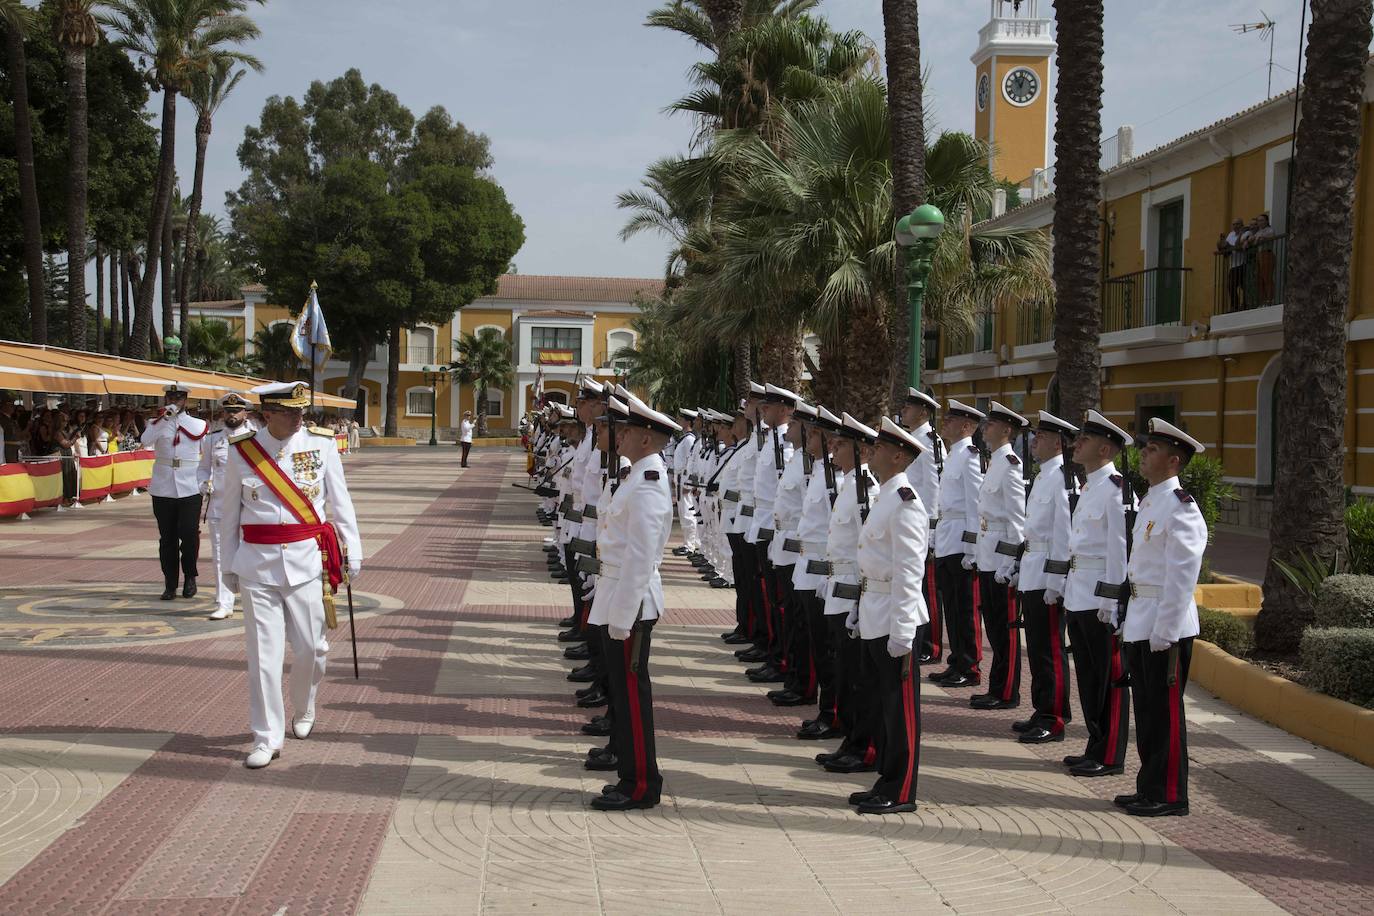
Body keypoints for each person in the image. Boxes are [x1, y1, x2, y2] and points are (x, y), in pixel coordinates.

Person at [218, 382, 362, 770]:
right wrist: (228, 567)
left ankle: (305, 704)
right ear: (267, 414)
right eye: (290, 412)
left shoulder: (321, 444)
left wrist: (352, 549)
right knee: (263, 656)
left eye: (301, 411)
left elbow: (340, 501)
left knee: (312, 649)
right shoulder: (242, 450)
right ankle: (266, 737)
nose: (300, 417)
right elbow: (228, 514)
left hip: (306, 562)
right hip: (257, 565)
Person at [585, 392, 679, 811]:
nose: (618, 436)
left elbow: (641, 557)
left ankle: (641, 784)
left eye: (627, 431)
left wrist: (621, 616)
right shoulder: (635, 476)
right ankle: (629, 774)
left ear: (645, 439)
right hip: (617, 594)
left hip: (631, 602)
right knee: (622, 696)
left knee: (632, 698)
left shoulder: (649, 482)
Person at [1119, 418, 1207, 817]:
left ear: (1173, 461)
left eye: (1152, 449)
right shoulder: (1151, 501)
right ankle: (1149, 787)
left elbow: (1181, 577)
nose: (1143, 453)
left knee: (1165, 715)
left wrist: (1166, 630)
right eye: (1144, 447)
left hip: (1164, 626)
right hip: (1143, 618)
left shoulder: (1180, 507)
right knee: (1148, 712)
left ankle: (1170, 795)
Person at [848, 417, 929, 815]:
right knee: (883, 705)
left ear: (898, 456)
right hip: (874, 611)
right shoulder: (885, 497)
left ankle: (901, 789)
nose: (872, 450)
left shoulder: (906, 503)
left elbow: (910, 574)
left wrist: (903, 631)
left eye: (879, 446)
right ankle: (885, 780)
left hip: (895, 617)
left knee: (900, 711)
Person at [1063, 409, 1133, 778]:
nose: (1076, 444)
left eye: (1085, 440)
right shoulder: (1090, 486)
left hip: (1099, 599)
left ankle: (1109, 754)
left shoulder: (1115, 490)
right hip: (1079, 593)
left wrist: (1112, 601)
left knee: (1108, 679)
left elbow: (1119, 551)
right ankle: (1095, 744)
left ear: (1104, 449)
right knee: (1089, 677)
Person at [1013, 411, 1077, 744]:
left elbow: (1063, 536)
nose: (1035, 440)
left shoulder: (1062, 479)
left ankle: (1054, 717)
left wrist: (1056, 581)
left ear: (1058, 444)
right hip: (1033, 569)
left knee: (1050, 650)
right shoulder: (1044, 476)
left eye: (1042, 436)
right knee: (1037, 648)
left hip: (1046, 576)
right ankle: (1042, 710)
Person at [972, 401, 1028, 711]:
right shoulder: (994, 462)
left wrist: (1010, 563)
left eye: (991, 424)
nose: (985, 428)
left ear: (1007, 430)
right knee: (993, 628)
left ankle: (1006, 692)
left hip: (1000, 560)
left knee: (1005, 631)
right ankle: (996, 687)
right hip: (987, 554)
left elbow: (1016, 522)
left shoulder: (1010, 465)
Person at [929, 400, 985, 689]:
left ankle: (970, 666)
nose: (945, 423)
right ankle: (956, 662)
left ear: (966, 426)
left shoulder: (970, 457)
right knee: (951, 606)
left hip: (962, 540)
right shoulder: (953, 455)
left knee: (965, 608)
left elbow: (976, 504)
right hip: (947, 537)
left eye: (951, 420)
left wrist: (972, 547)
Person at [142, 384, 209, 600]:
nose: (174, 401)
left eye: (178, 398)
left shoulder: (198, 424)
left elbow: (207, 454)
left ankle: (190, 577)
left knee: (189, 535)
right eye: (170, 397)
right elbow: (145, 441)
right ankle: (170, 583)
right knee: (167, 538)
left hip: (190, 486)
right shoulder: (156, 423)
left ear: (185, 400)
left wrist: (208, 481)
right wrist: (164, 419)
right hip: (163, 487)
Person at [198, 392, 257, 621]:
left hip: (248, 506)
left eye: (236, 411)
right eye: (228, 411)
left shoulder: (256, 438)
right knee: (221, 555)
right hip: (220, 505)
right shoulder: (212, 439)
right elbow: (203, 468)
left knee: (251, 553)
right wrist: (203, 484)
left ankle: (253, 598)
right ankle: (224, 602)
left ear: (245, 413)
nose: (232, 415)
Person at [899, 389, 943, 665]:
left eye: (909, 407)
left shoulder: (929, 441)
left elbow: (934, 485)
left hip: (923, 525)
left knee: (928, 589)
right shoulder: (911, 439)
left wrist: (932, 528)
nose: (903, 410)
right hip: (910, 523)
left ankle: (931, 645)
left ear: (924, 412)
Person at [671, 409, 701, 559]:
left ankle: (691, 545)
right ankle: (688, 543)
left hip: (684, 479)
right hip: (680, 478)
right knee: (684, 513)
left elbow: (691, 462)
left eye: (681, 419)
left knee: (688, 513)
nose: (678, 421)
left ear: (688, 422)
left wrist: (687, 484)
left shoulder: (689, 439)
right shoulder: (684, 439)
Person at [1224, 218, 1249, 310]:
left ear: (1242, 225)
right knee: (1231, 286)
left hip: (1243, 264)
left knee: (1244, 286)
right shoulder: (1230, 234)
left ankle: (1246, 304)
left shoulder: (1246, 233)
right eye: (1234, 224)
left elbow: (1239, 247)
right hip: (1233, 265)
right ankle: (1235, 306)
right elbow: (1226, 246)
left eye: (1237, 224)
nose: (1235, 226)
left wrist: (1231, 247)